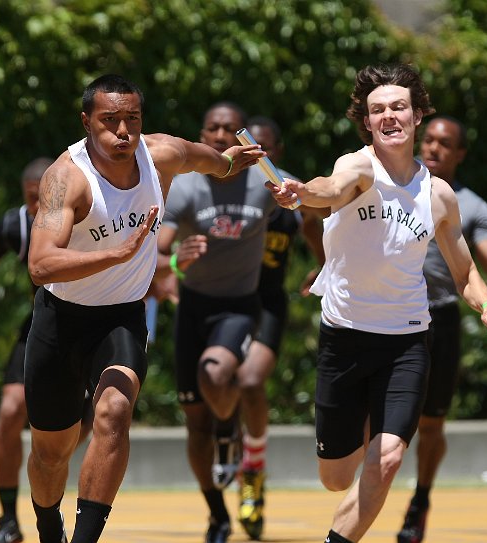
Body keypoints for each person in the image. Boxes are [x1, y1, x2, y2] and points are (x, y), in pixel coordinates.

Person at [268, 63, 487, 543]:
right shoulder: (357, 168)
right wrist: (301, 194)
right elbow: (328, 188)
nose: (389, 116)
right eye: (377, 110)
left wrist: (486, 305)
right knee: (336, 477)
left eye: (398, 106)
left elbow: (464, 272)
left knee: (390, 456)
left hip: (407, 341)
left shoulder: (438, 195)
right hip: (345, 339)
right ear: (367, 121)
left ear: (417, 114)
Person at [24, 75, 262, 543]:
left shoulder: (162, 155)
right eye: (109, 121)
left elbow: (209, 160)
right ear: (86, 122)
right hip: (61, 318)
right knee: (53, 452)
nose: (122, 132)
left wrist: (229, 163)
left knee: (114, 413)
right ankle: (48, 527)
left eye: (131, 120)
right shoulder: (65, 178)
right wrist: (116, 254)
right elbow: (40, 263)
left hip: (120, 317)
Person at [0, 157, 94, 543]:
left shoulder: (90, 213)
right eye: (32, 201)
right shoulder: (17, 225)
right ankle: (9, 519)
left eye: (42, 200)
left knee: (81, 427)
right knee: (9, 412)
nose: (38, 210)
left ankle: (60, 499)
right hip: (46, 325)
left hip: (96, 324)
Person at [156, 102, 282, 543]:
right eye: (213, 128)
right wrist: (174, 259)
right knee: (195, 424)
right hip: (194, 308)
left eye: (231, 128)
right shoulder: (186, 188)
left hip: (239, 305)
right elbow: (156, 253)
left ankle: (230, 431)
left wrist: (324, 262)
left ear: (241, 135)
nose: (222, 135)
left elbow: (314, 211)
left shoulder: (264, 180)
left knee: (216, 373)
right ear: (203, 135)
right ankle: (217, 514)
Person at [397, 115, 487, 543]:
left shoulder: (471, 206)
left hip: (441, 318)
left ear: (460, 153)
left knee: (431, 423)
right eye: (428, 139)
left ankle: (420, 501)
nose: (433, 148)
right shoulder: (393, 186)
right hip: (389, 315)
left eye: (445, 143)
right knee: (371, 418)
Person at [234, 115, 325, 540]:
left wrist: (323, 268)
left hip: (266, 302)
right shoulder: (223, 186)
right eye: (251, 147)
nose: (258, 156)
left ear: (277, 153)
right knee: (215, 390)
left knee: (251, 382)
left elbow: (314, 229)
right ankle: (226, 444)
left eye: (265, 149)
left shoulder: (290, 193)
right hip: (219, 303)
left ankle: (252, 465)